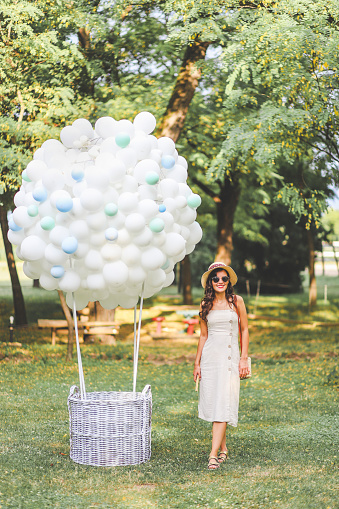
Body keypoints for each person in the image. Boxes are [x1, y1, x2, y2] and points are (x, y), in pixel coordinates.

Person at [193, 262, 250, 470]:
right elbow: (203, 335)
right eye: (215, 278)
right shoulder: (204, 305)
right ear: (210, 282)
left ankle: (213, 454)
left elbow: (244, 330)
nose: (220, 281)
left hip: (229, 357)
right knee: (215, 401)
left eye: (224, 278)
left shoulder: (237, 301)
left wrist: (243, 358)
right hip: (210, 358)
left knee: (224, 400)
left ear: (229, 281)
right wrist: (197, 363)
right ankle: (224, 449)